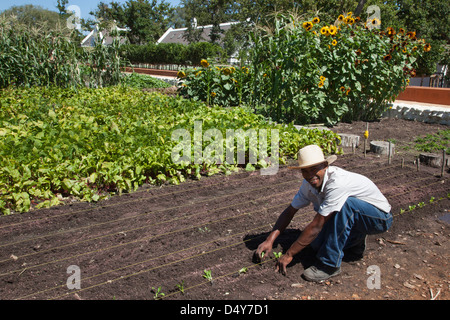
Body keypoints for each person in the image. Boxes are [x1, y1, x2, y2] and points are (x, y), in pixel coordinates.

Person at [254, 144, 393, 282]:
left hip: (379, 218)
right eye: (305, 171)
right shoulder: (308, 184)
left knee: (347, 205)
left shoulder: (337, 183)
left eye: (314, 169)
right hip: (355, 217)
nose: (310, 175)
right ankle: (356, 242)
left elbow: (317, 225)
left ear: (325, 166)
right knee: (315, 245)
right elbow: (290, 211)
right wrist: (269, 240)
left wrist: (289, 254)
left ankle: (329, 265)